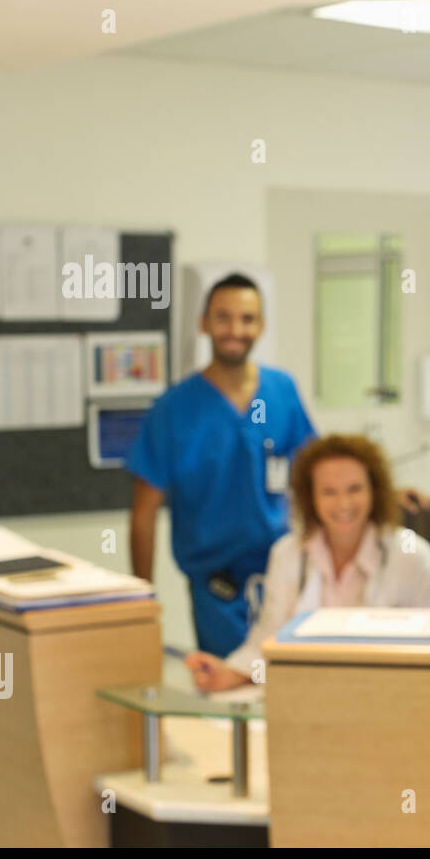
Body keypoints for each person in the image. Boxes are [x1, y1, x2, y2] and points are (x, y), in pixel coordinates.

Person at [128, 273, 316, 659]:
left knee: (290, 692)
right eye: (223, 317)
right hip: (218, 590)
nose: (235, 329)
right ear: (203, 323)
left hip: (284, 578)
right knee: (230, 695)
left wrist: (383, 491)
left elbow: (319, 474)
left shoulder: (282, 392)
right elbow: (143, 514)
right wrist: (142, 603)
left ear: (262, 326)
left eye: (247, 319)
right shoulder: (174, 409)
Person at [188, 434, 430, 692]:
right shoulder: (287, 553)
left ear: (375, 491)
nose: (343, 503)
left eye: (354, 489)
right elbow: (265, 643)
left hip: (389, 700)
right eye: (329, 492)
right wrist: (230, 673)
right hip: (307, 699)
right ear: (310, 497)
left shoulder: (413, 557)